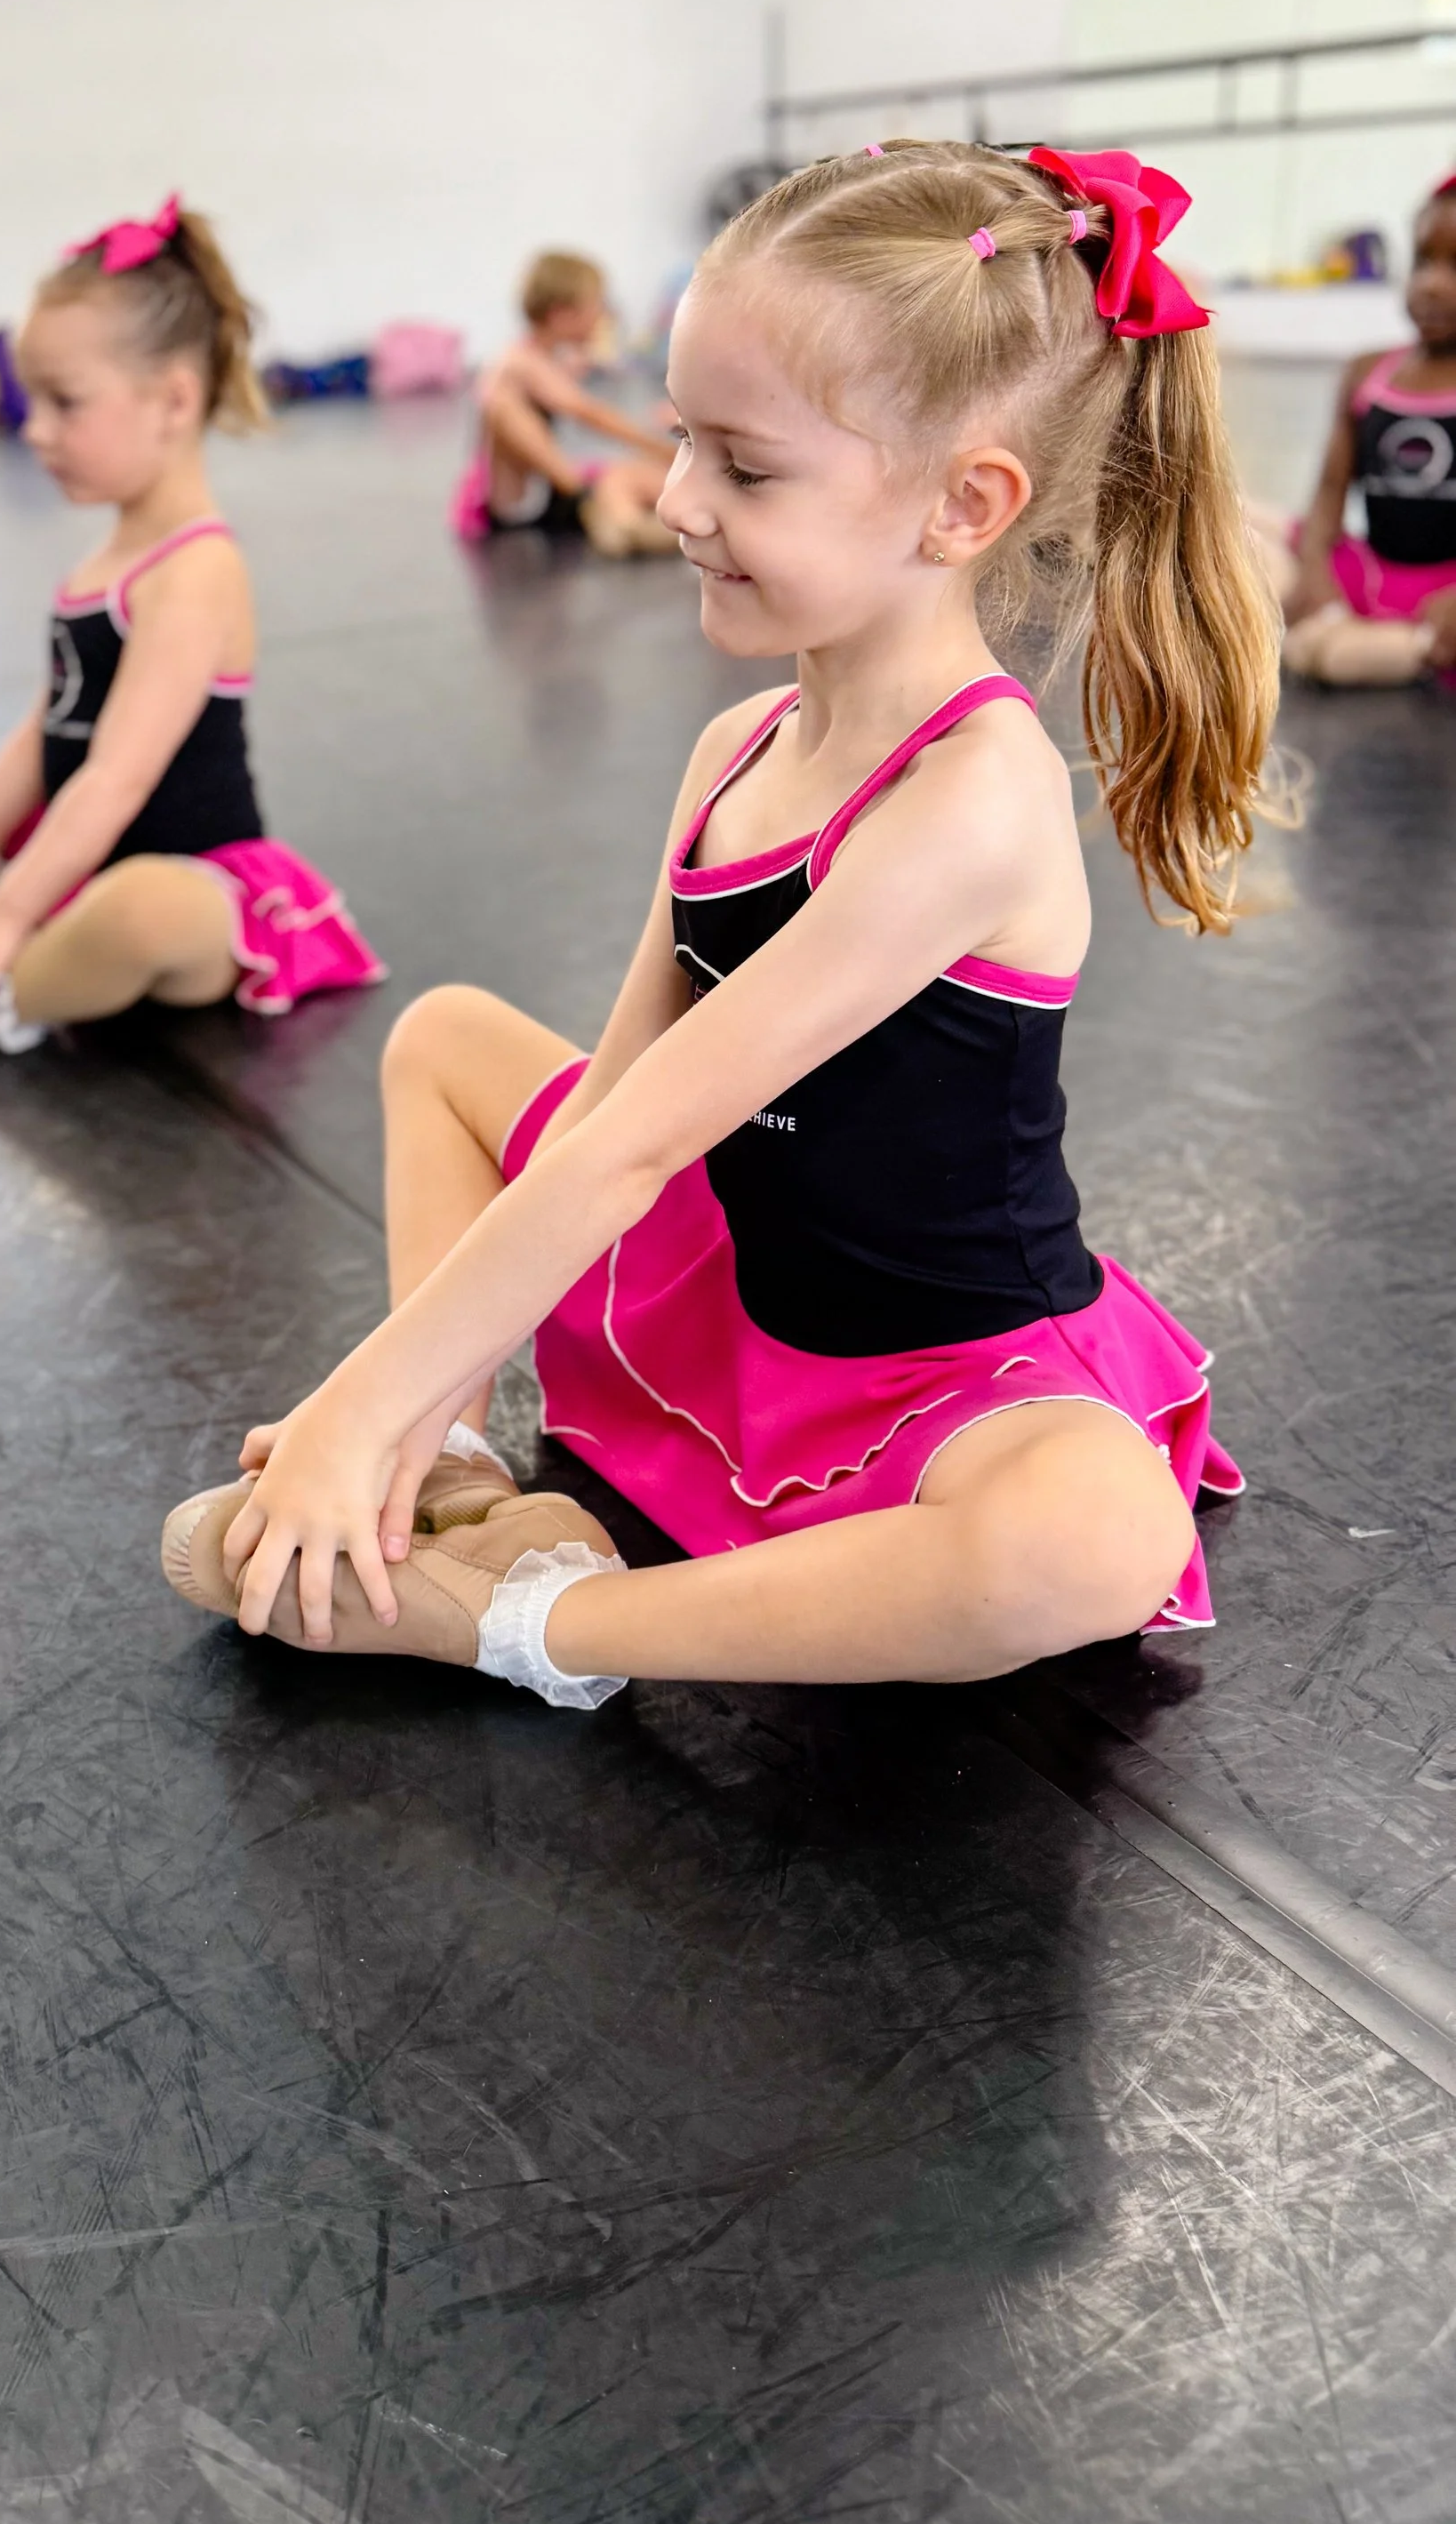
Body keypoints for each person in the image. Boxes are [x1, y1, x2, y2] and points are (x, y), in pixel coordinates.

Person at [164, 140, 1283, 1716]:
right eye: (682, 439)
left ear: (966, 504)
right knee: (445, 1039)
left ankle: (546, 1622)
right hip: (746, 1278)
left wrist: (358, 1401)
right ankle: (469, 1477)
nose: (680, 499)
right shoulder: (738, 751)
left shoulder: (975, 795)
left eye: (746, 471)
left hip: (942, 1368)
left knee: (1092, 1537)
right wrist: (406, 1397)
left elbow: (630, 1152)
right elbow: (616, 1110)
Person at [0, 198, 383, 1056]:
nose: (35, 431)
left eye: (65, 405)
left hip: (193, 891)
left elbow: (114, 780)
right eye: (36, 403)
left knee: (142, 912)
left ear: (173, 401)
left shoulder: (196, 570)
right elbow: (51, 724)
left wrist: (5, 915)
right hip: (99, 866)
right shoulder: (109, 558)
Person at [1283, 172, 1456, 685]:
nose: (1432, 283)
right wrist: (1315, 568)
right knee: (1245, 522)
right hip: (1372, 574)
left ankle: (1408, 649)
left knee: (1326, 657)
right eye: (1424, 261)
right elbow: (1332, 489)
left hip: (1444, 598)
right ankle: (1349, 636)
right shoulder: (1368, 372)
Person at [450, 250, 678, 559]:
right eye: (596, 306)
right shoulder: (519, 364)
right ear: (562, 315)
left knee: (627, 477)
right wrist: (661, 449)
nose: (602, 316)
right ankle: (609, 516)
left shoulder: (548, 358)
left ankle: (630, 526)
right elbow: (590, 414)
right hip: (520, 500)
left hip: (549, 495)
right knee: (501, 403)